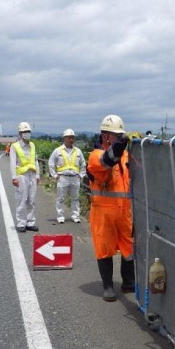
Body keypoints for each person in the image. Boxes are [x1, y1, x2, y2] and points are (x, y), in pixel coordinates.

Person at [86, 114, 135, 302]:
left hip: (125, 211)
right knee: (104, 248)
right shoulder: (96, 156)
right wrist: (122, 143)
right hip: (103, 211)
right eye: (117, 135)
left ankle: (128, 282)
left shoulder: (126, 156)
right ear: (105, 136)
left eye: (121, 135)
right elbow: (108, 159)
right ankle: (108, 286)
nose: (119, 138)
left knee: (129, 249)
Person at [48, 128, 87, 224]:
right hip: (63, 177)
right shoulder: (58, 151)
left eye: (73, 138)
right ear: (64, 138)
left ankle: (75, 216)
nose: (71, 140)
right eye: (69, 138)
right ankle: (60, 216)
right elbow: (51, 163)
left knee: (75, 198)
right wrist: (54, 175)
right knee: (60, 198)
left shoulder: (78, 151)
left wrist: (81, 175)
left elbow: (83, 164)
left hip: (75, 178)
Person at [10, 121, 40, 233]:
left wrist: (37, 175)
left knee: (31, 200)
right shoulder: (15, 146)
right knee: (22, 199)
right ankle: (21, 223)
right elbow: (13, 163)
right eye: (24, 132)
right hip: (22, 175)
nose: (27, 133)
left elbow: (35, 160)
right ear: (20, 133)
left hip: (32, 175)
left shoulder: (32, 145)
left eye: (28, 131)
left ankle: (30, 222)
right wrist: (14, 177)